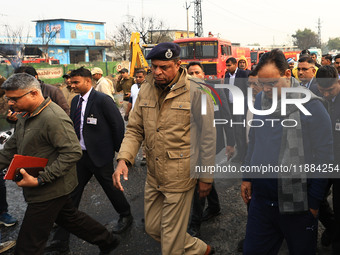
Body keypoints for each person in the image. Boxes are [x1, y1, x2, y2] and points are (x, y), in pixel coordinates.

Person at [113, 42, 216, 255]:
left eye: (164, 67)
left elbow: (207, 136)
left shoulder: (198, 90)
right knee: (152, 228)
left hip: (181, 175)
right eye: (154, 66)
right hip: (154, 174)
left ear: (178, 64)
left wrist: (206, 177)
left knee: (170, 244)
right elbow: (134, 129)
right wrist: (124, 159)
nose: (157, 72)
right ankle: (199, 248)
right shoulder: (145, 89)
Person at [0, 73, 119, 255]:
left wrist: (41, 179)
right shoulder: (26, 114)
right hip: (47, 187)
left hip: (49, 189)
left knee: (28, 245)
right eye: (8, 99)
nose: (10, 103)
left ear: (33, 93)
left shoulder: (53, 118)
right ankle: (107, 240)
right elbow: (13, 145)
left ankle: (108, 240)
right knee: (70, 218)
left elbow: (72, 152)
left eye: (14, 99)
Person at [241, 49, 333, 254]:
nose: (265, 89)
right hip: (261, 203)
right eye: (261, 83)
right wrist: (247, 177)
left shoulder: (313, 106)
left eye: (272, 83)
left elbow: (325, 157)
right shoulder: (259, 102)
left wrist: (314, 204)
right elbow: (255, 140)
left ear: (286, 74)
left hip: (298, 206)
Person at [46, 67, 131, 254]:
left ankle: (125, 214)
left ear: (88, 81)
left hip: (100, 155)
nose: (72, 85)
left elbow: (117, 126)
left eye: (76, 82)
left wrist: (120, 154)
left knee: (111, 188)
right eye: (71, 82)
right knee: (71, 194)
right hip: (80, 156)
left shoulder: (103, 100)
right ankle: (60, 241)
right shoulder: (75, 100)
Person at [186, 61, 234, 237]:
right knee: (205, 177)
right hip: (192, 144)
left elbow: (227, 117)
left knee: (200, 179)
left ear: (203, 74)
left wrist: (231, 143)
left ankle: (194, 223)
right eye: (190, 73)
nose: (193, 76)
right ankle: (214, 207)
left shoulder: (215, 91)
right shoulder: (186, 93)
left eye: (197, 72)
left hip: (212, 143)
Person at [316, 66, 340, 253]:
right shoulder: (316, 101)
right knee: (316, 198)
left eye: (329, 90)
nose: (325, 93)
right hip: (323, 160)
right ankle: (333, 228)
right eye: (322, 90)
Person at [224, 57, 248, 163]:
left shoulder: (243, 74)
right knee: (233, 130)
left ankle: (243, 155)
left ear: (235, 64)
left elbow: (248, 90)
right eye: (227, 65)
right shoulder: (226, 75)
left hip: (240, 106)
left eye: (229, 65)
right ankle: (240, 153)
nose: (227, 68)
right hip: (230, 106)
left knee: (240, 131)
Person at [124, 68, 149, 165]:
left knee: (145, 137)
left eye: (140, 77)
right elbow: (131, 101)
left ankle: (145, 156)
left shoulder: (149, 87)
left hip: (146, 114)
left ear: (145, 77)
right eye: (136, 77)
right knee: (132, 136)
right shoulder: (134, 86)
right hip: (134, 115)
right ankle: (130, 157)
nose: (138, 79)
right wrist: (127, 113)